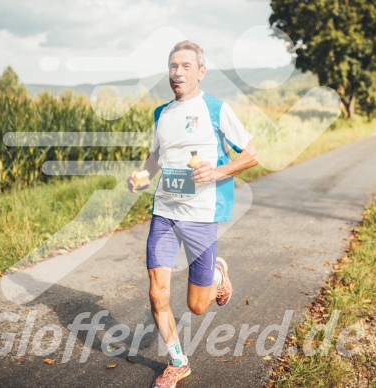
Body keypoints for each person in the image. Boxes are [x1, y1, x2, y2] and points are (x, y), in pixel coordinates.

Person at [127, 40, 258, 388]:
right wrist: (143, 175)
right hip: (164, 213)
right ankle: (177, 361)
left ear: (200, 72)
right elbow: (156, 156)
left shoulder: (216, 109)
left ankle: (216, 271)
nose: (177, 72)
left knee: (198, 306)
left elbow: (251, 155)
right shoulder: (161, 113)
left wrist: (217, 172)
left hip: (201, 217)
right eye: (173, 66)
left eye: (185, 66)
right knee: (157, 294)